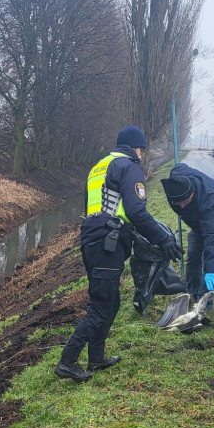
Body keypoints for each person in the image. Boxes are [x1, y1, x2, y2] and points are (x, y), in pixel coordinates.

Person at [56, 126, 182, 382]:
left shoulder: (99, 167)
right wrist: (162, 239)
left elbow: (93, 207)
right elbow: (136, 211)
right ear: (137, 148)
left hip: (92, 239)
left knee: (110, 302)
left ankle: (96, 358)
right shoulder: (129, 166)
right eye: (142, 150)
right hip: (108, 242)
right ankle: (67, 361)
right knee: (101, 306)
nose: (142, 154)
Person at [161, 163, 214, 301]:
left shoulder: (211, 201)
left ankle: (204, 304)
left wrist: (211, 270)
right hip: (198, 219)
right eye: (178, 203)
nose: (182, 206)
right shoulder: (175, 184)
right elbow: (179, 167)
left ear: (192, 192)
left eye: (185, 202)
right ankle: (191, 294)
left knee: (208, 259)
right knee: (193, 255)